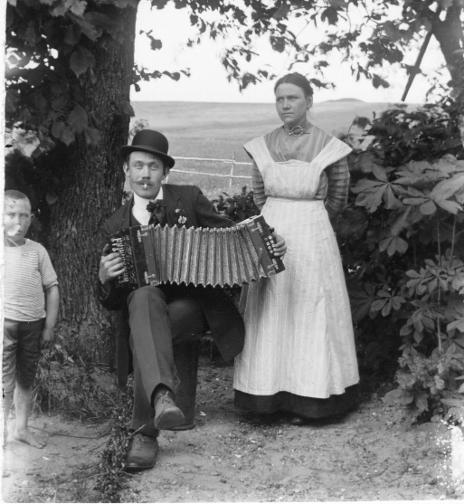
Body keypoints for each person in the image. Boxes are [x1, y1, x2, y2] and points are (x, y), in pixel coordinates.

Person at [97, 128, 286, 472]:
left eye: (153, 167)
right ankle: (161, 398)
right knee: (141, 299)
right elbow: (111, 302)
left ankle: (144, 435)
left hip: (193, 308)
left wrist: (268, 244)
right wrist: (105, 279)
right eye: (137, 166)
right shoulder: (115, 224)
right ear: (126, 170)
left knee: (150, 322)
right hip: (146, 311)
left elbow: (233, 236)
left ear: (165, 172)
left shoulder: (188, 198)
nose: (144, 174)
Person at [233, 72, 360, 424]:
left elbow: (338, 195)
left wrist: (311, 220)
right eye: (280, 99)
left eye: (292, 98)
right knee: (271, 307)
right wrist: (277, 219)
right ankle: (265, 399)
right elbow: (260, 194)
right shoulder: (262, 145)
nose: (285, 105)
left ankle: (313, 400)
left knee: (311, 307)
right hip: (272, 227)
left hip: (313, 233)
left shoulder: (329, 146)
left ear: (309, 101)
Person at [3, 190, 60, 448]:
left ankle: (22, 428)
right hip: (5, 325)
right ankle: (3, 432)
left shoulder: (37, 251)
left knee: (26, 378)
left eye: (24, 215)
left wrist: (49, 325)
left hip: (32, 326)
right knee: (4, 379)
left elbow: (52, 288)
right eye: (11, 214)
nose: (19, 220)